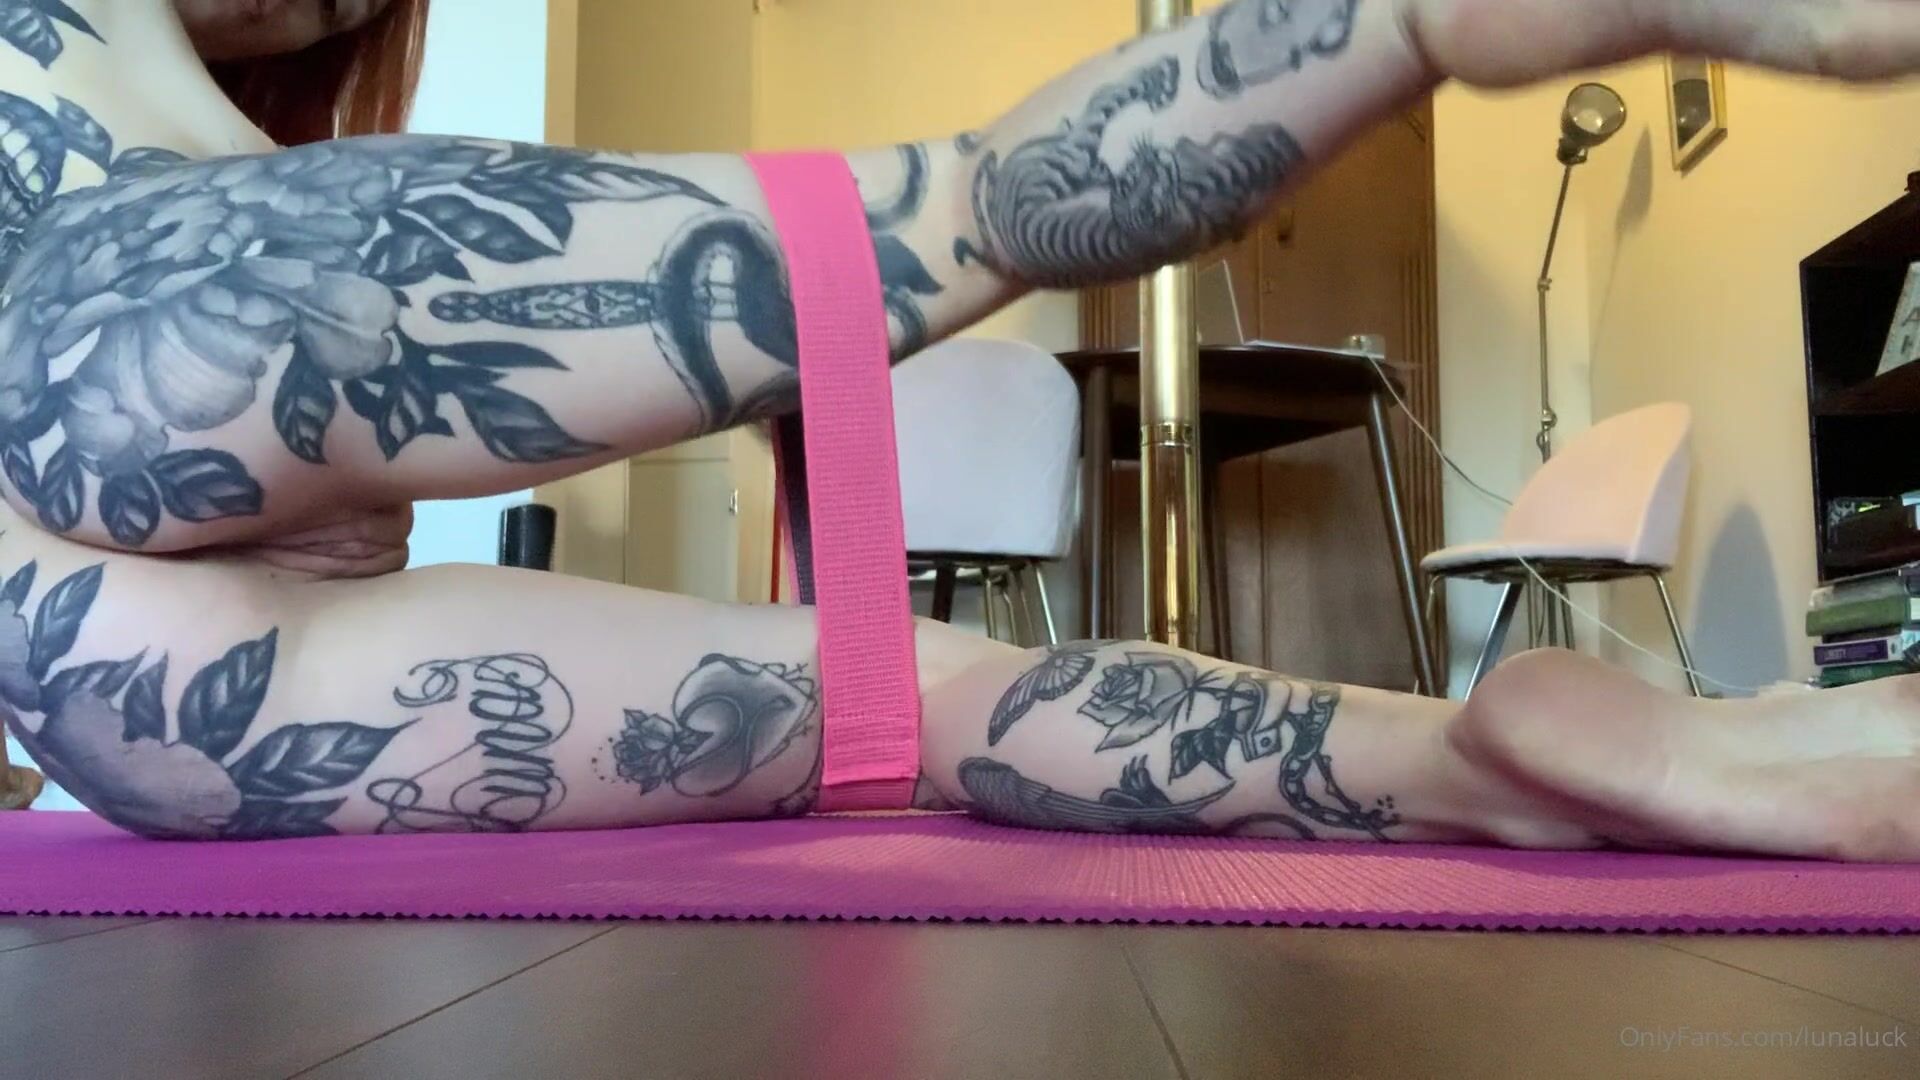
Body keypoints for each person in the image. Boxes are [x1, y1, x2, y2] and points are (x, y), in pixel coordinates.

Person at [0, 0, 1916, 860]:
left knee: (909, 699)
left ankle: (1496, 771)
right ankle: (1401, 23)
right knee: (950, 230)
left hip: (144, 693)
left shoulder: (190, 155)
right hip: (144, 431)